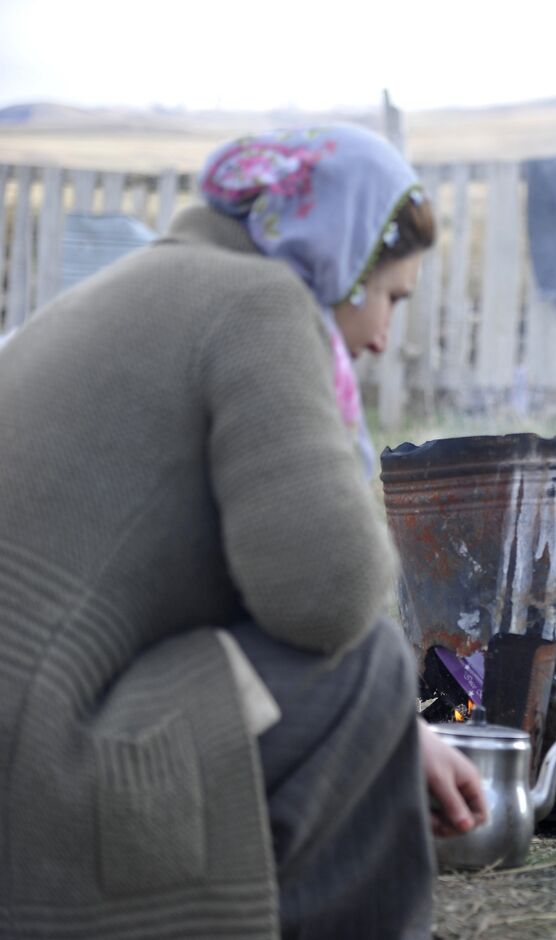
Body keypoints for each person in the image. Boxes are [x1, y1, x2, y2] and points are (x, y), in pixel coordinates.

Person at [0, 124, 486, 939]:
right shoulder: (255, 304)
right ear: (342, 255)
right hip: (39, 782)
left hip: (29, 737)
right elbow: (327, 599)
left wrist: (404, 736)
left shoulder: (134, 288)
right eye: (391, 298)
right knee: (363, 666)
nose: (380, 340)